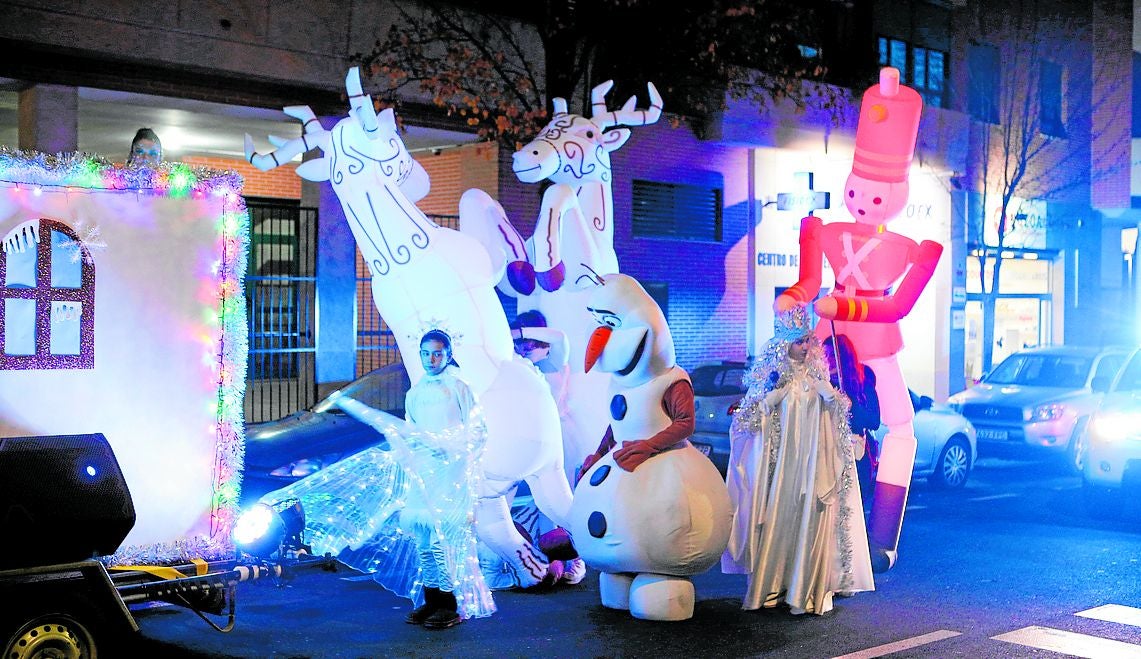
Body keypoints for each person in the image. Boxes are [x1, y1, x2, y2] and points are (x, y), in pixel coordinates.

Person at [254, 329, 495, 630]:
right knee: (423, 540)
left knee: (441, 541)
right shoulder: (417, 392)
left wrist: (445, 447)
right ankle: (432, 600)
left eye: (437, 353)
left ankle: (450, 604)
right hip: (423, 475)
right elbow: (408, 430)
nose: (431, 359)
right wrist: (407, 451)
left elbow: (476, 431)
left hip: (449, 478)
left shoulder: (459, 388)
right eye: (426, 353)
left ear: (448, 354)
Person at [722, 307, 873, 615]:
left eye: (807, 340)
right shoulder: (772, 379)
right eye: (798, 341)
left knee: (811, 519)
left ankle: (806, 590)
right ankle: (773, 585)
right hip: (781, 471)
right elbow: (746, 422)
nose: (805, 347)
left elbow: (837, 418)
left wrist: (831, 398)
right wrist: (769, 401)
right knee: (781, 517)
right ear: (784, 344)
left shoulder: (818, 378)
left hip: (813, 466)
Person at [823, 333, 881, 509]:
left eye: (832, 355)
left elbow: (874, 420)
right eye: (824, 355)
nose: (828, 360)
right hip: (829, 457)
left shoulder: (863, 379)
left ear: (844, 357)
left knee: (854, 510)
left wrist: (851, 404)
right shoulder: (823, 385)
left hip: (857, 455)